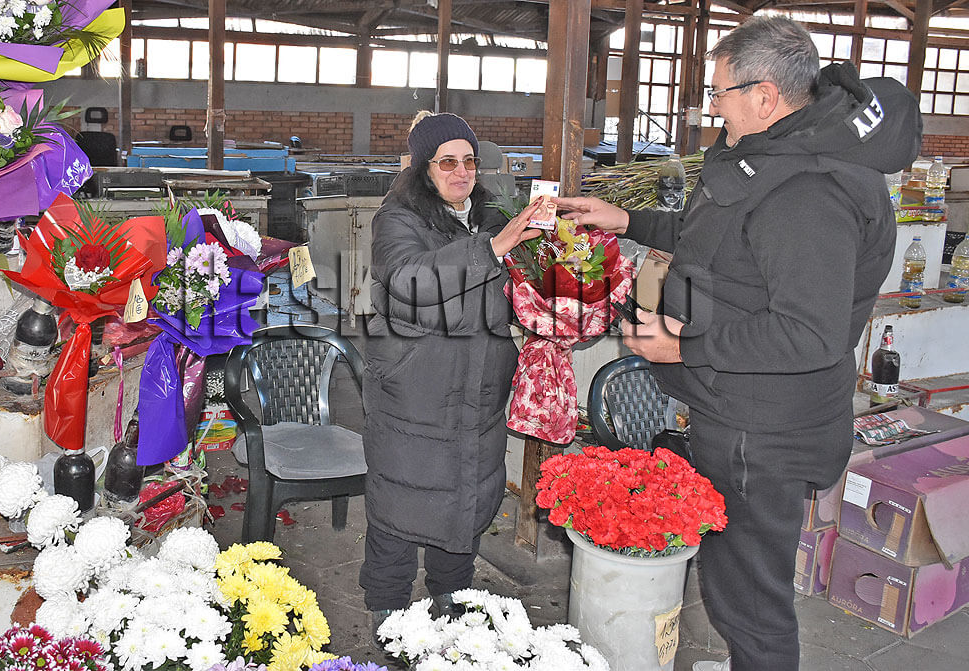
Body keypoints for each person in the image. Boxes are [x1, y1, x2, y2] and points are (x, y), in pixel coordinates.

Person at [554, 16, 921, 671]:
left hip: (765, 429)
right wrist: (629, 219)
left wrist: (684, 346)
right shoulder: (775, 159)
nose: (711, 107)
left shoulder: (809, 193)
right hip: (738, 408)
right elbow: (719, 241)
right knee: (736, 581)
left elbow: (808, 333)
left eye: (718, 92)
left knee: (749, 603)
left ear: (765, 96)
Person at [360, 112, 541, 633]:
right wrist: (492, 249)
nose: (461, 172)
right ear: (424, 168)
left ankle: (453, 594)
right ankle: (388, 607)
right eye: (447, 162)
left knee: (468, 492)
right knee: (401, 495)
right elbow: (410, 282)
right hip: (416, 384)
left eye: (469, 161)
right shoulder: (397, 218)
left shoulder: (490, 215)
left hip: (479, 384)